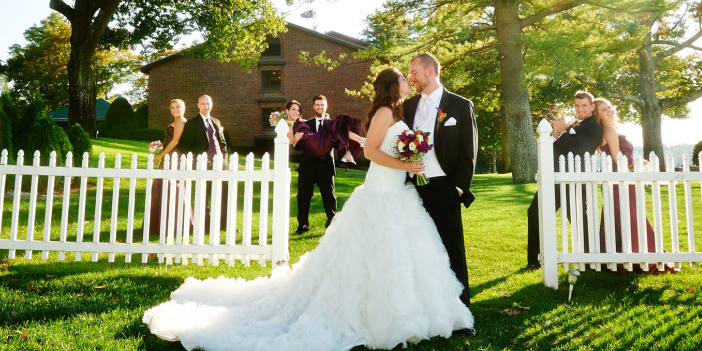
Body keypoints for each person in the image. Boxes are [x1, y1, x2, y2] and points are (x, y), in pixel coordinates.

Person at [143, 68, 474, 351]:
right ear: (392, 85)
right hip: (380, 192)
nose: (408, 79)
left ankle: (415, 310)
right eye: (403, 77)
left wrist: (408, 161)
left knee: (403, 255)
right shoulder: (386, 112)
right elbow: (371, 152)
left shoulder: (400, 110)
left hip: (397, 193)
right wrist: (408, 164)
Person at [404, 53, 478, 335]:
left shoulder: (459, 105)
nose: (410, 78)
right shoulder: (408, 106)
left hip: (445, 187)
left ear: (431, 70)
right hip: (413, 190)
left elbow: (469, 150)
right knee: (418, 250)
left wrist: (458, 187)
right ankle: (423, 309)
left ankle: (461, 316)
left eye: (414, 73)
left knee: (452, 250)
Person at [524, 90, 603, 271]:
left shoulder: (593, 127)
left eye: (584, 105)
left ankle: (591, 260)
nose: (580, 109)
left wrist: (562, 132)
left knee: (578, 219)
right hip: (554, 179)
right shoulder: (573, 124)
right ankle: (534, 261)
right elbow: (556, 149)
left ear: (592, 107)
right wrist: (557, 133)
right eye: (577, 105)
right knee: (535, 212)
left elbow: (578, 150)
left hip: (574, 180)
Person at [594, 98, 668, 274]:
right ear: (597, 115)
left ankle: (620, 256)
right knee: (629, 216)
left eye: (609, 107)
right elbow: (616, 157)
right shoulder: (610, 130)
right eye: (603, 109)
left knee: (623, 215)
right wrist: (633, 175)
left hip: (619, 178)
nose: (609, 111)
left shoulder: (611, 129)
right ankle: (635, 257)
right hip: (621, 178)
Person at [177, 95, 229, 229]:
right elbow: (186, 146)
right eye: (203, 104)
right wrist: (198, 161)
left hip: (220, 164)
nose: (206, 106)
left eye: (208, 104)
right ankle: (205, 224)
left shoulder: (216, 121)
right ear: (198, 105)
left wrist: (225, 160)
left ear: (212, 104)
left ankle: (223, 224)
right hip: (204, 165)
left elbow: (222, 143)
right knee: (204, 195)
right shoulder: (192, 124)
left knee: (223, 195)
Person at [145, 99, 193, 234]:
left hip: (173, 155)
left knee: (171, 186)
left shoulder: (181, 121)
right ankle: (160, 223)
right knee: (161, 185)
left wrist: (160, 155)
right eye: (172, 107)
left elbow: (175, 141)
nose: (175, 109)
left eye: (178, 107)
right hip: (169, 154)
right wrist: (159, 148)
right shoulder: (176, 121)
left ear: (184, 108)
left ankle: (176, 223)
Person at [293, 95, 337, 235]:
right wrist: (296, 140)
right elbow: (298, 147)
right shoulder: (305, 124)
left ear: (326, 106)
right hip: (307, 166)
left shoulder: (333, 124)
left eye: (322, 105)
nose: (320, 107)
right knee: (303, 196)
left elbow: (337, 144)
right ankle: (303, 225)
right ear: (313, 107)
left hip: (326, 166)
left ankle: (332, 223)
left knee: (329, 195)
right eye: (317, 105)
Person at [282, 99, 365, 164]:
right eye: (293, 109)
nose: (296, 112)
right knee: (337, 126)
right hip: (315, 143)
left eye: (298, 110)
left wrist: (326, 118)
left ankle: (352, 148)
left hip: (318, 139)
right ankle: (359, 141)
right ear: (287, 111)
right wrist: (296, 135)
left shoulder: (302, 121)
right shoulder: (286, 124)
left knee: (339, 127)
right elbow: (291, 141)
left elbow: (312, 122)